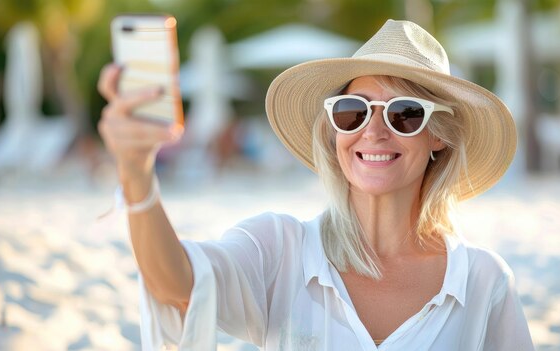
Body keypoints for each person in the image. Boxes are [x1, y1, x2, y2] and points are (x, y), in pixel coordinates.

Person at [97, 20, 534, 350]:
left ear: (437, 134)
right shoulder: (278, 248)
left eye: (404, 113)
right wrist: (136, 173)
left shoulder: (484, 282)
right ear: (334, 131)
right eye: (351, 111)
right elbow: (178, 284)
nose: (374, 131)